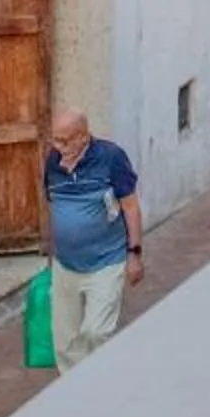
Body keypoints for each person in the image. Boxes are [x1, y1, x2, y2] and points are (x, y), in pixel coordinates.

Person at [44, 109, 142, 371]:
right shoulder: (53, 162)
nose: (58, 147)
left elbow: (130, 206)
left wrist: (134, 253)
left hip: (106, 261)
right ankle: (76, 392)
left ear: (83, 137)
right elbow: (52, 204)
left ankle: (100, 379)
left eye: (64, 141)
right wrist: (50, 251)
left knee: (97, 332)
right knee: (65, 343)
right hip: (65, 264)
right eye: (55, 140)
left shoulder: (111, 158)